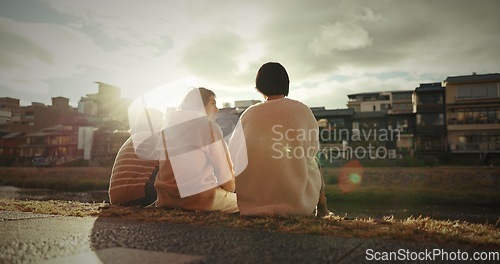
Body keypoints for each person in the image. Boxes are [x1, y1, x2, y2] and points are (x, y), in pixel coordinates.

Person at [229, 62, 330, 217]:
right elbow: (313, 154)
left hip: (252, 206)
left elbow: (233, 155)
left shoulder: (249, 115)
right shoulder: (302, 110)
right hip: (299, 205)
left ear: (259, 85)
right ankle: (322, 208)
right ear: (286, 84)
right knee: (314, 160)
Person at [155, 87, 238, 213]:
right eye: (213, 103)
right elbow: (226, 177)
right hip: (199, 198)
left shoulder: (166, 130)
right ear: (200, 105)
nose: (217, 109)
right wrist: (232, 188)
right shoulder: (208, 127)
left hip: (167, 199)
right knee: (247, 202)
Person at [108, 108, 163, 206]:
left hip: (117, 198)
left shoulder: (132, 139)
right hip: (138, 195)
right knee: (170, 166)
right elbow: (167, 166)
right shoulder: (154, 138)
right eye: (161, 120)